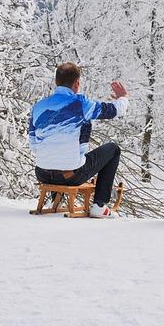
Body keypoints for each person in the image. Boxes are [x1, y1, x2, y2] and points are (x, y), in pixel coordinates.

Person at [28, 62, 129, 218]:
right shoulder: (81, 104)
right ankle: (100, 206)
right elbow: (113, 110)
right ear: (76, 83)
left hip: (42, 173)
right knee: (113, 149)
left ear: (56, 81)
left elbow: (34, 145)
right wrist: (123, 98)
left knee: (55, 150)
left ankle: (55, 200)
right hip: (71, 175)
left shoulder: (38, 107)